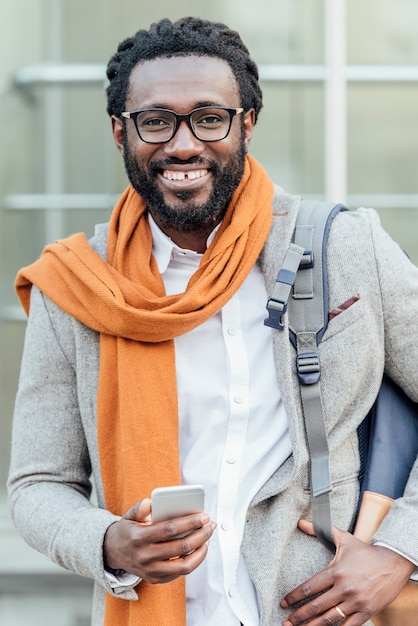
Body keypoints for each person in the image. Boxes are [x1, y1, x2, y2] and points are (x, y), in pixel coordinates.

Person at [7, 16, 418, 626]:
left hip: (318, 610)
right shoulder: (74, 286)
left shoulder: (346, 247)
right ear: (120, 132)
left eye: (208, 117)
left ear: (246, 123)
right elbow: (38, 484)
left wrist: (398, 552)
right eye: (155, 121)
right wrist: (108, 543)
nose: (182, 145)